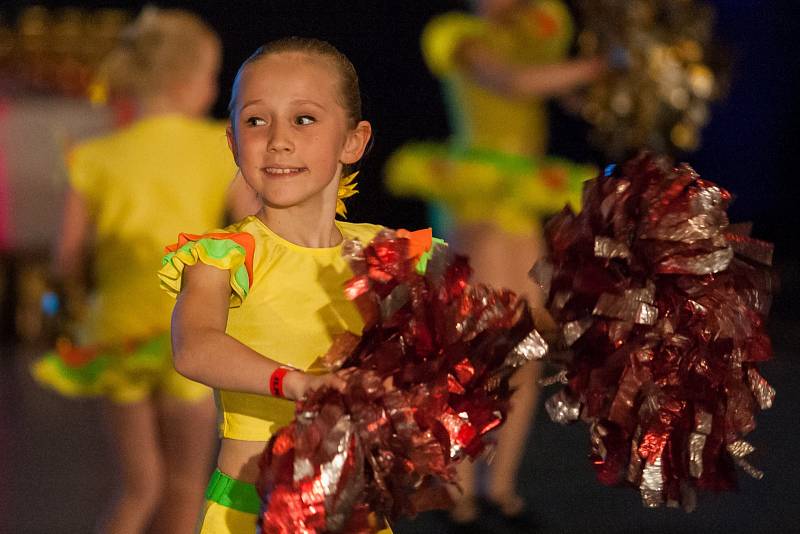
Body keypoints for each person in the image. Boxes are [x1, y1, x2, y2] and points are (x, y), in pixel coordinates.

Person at [158, 37, 417, 534]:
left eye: (303, 119)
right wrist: (296, 383)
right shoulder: (225, 255)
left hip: (356, 514)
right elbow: (194, 347)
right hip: (249, 514)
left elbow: (494, 322)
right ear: (233, 142)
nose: (277, 139)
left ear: (353, 141)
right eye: (256, 121)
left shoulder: (388, 254)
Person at [31, 8, 257, 533]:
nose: (213, 87)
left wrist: (76, 300)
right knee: (184, 486)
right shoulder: (215, 146)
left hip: (118, 335)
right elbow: (253, 232)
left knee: (139, 486)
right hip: (187, 334)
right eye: (210, 76)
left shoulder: (94, 157)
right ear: (185, 84)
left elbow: (65, 257)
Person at [385, 0, 605, 528]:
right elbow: (513, 83)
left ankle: (498, 489)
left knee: (526, 343)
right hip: (476, 193)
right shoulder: (458, 34)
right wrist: (603, 64)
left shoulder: (535, 35)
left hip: (521, 194)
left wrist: (614, 84)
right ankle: (454, 487)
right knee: (474, 346)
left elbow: (564, 91)